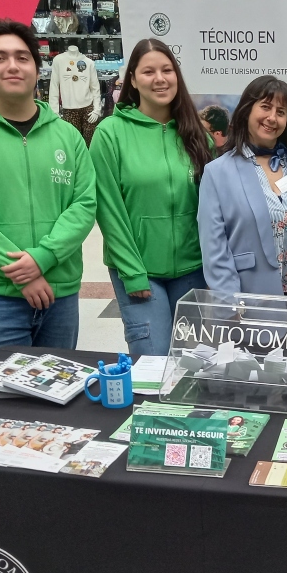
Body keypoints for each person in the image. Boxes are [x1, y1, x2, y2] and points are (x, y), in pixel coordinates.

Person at [0, 19, 96, 360]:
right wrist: (22, 275)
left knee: (60, 398)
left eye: (22, 57)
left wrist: (44, 257)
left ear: (36, 69)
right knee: (1, 404)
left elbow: (84, 204)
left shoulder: (66, 135)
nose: (12, 65)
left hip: (60, 292)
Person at [91, 38, 213, 356]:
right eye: (148, 71)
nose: (159, 79)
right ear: (132, 79)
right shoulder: (111, 133)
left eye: (167, 70)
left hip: (194, 269)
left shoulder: (196, 134)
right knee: (152, 362)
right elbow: (108, 210)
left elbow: (214, 208)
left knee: (194, 362)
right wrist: (132, 272)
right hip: (139, 270)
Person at [198, 75, 287, 297]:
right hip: (246, 303)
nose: (272, 118)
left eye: (281, 112)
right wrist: (231, 305)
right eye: (265, 107)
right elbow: (215, 250)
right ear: (247, 111)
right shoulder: (217, 173)